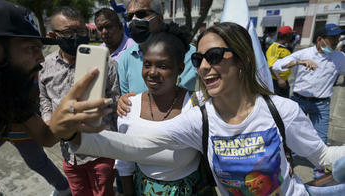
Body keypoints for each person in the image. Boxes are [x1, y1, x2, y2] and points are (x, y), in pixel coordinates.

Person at [51, 22, 345, 196]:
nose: (205, 66)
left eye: (215, 56)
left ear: (242, 60)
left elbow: (322, 156)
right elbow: (138, 146)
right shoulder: (200, 119)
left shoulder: (282, 110)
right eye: (200, 59)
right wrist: (74, 137)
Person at [0, 1, 114, 196]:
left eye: (40, 48)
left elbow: (44, 137)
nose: (41, 59)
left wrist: (63, 125)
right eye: (31, 48)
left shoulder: (14, 91)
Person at [39, 6, 120, 196]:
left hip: (101, 152)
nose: (76, 36)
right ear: (53, 35)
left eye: (81, 31)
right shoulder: (45, 65)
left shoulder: (106, 63)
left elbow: (116, 105)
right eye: (68, 32)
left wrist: (119, 154)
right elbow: (44, 97)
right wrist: (49, 122)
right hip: (69, 154)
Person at [115, 21, 201, 196]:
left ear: (180, 69)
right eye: (147, 64)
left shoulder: (196, 105)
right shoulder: (129, 108)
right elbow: (124, 163)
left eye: (162, 66)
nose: (152, 72)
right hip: (143, 190)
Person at [272, 23, 345, 149]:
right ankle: (290, 164)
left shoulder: (339, 57)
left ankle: (319, 168)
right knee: (292, 135)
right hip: (299, 101)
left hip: (322, 105)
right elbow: (277, 66)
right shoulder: (304, 54)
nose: (337, 42)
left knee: (321, 140)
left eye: (338, 38)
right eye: (333, 38)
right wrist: (297, 62)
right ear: (319, 39)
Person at [117, 0, 198, 97]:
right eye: (129, 17)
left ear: (159, 19)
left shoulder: (190, 53)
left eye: (141, 14)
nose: (134, 21)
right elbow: (125, 98)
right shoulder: (126, 58)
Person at [94, 7, 135, 196]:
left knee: (130, 168)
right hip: (107, 124)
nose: (103, 32)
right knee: (114, 169)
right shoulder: (98, 53)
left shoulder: (134, 50)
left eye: (108, 27)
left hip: (129, 118)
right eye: (99, 28)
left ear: (120, 26)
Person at [266, 26, 296, 98]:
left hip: (283, 80)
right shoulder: (274, 48)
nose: (292, 36)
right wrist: (279, 79)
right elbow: (271, 65)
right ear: (288, 35)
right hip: (277, 82)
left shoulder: (283, 46)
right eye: (291, 34)